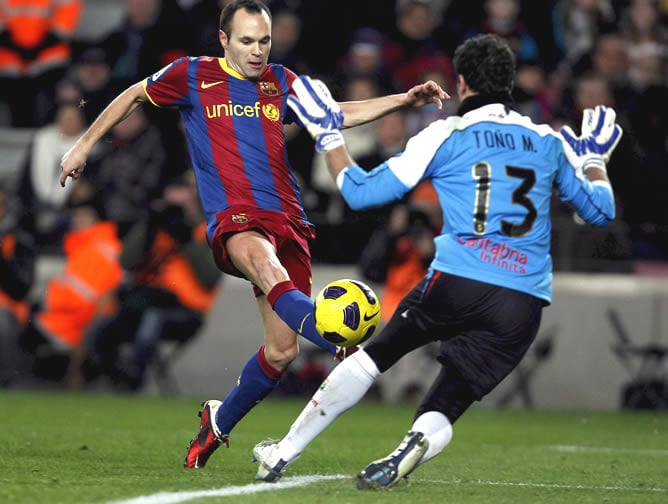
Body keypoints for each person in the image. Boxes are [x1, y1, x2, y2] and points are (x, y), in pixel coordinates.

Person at [58, 0, 446, 470]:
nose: (258, 50)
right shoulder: (191, 74)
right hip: (234, 216)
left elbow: (334, 114)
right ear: (224, 40)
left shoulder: (280, 81)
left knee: (281, 351)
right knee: (264, 263)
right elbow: (133, 95)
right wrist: (83, 144)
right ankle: (339, 340)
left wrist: (404, 99)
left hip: (288, 217)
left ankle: (218, 423)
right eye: (247, 41)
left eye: (264, 40)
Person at [250, 33, 622, 489]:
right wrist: (595, 161)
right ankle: (412, 444)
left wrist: (329, 137)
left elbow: (361, 192)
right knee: (450, 399)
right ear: (509, 83)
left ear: (462, 82)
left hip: (458, 278)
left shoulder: (447, 133)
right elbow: (600, 212)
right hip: (523, 300)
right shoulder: (547, 141)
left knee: (372, 358)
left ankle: (282, 452)